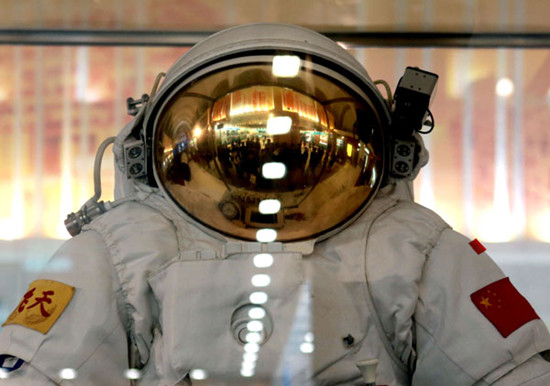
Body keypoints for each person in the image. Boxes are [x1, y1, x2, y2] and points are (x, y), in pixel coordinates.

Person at [1, 23, 549, 385]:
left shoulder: (406, 244)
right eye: (241, 139)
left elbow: (507, 371)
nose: (272, 155)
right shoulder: (130, 246)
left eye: (296, 141)